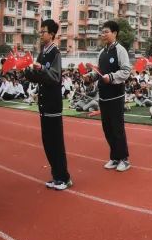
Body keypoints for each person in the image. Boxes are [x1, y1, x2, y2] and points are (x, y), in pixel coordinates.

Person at [24, 20, 72, 190]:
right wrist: (28, 71)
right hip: (43, 104)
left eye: (43, 31)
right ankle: (56, 175)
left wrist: (41, 68)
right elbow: (39, 76)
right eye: (40, 32)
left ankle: (64, 177)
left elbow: (55, 76)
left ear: (51, 34)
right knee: (47, 142)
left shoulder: (55, 53)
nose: (41, 34)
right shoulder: (42, 52)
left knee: (56, 142)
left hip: (53, 103)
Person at [82, 21, 132, 172]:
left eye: (106, 32)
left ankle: (124, 159)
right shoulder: (102, 52)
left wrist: (110, 77)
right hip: (103, 96)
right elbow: (99, 72)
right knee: (107, 129)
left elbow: (126, 71)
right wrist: (90, 76)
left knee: (117, 128)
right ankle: (114, 157)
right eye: (102, 32)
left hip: (116, 96)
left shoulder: (120, 50)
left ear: (115, 33)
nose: (103, 35)